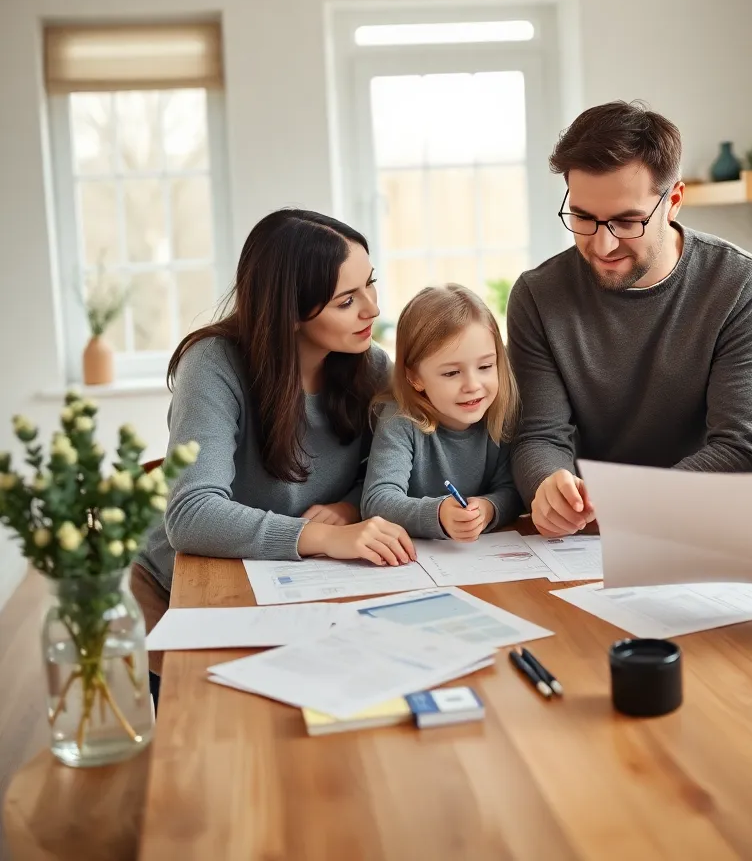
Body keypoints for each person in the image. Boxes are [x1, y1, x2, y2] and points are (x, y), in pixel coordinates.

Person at [133, 209, 417, 678]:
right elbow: (191, 514)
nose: (372, 309)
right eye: (347, 300)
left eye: (370, 283)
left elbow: (399, 463)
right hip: (185, 593)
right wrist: (325, 536)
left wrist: (349, 507)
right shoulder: (213, 365)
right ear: (289, 311)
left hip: (298, 586)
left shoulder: (369, 366)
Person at [508, 100, 752, 537]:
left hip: (700, 529)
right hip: (584, 536)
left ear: (673, 201)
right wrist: (546, 486)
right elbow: (539, 436)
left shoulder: (742, 285)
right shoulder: (538, 295)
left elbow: (738, 451)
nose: (601, 245)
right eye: (582, 218)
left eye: (627, 221)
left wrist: (624, 504)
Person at [361, 284, 520, 541]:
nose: (473, 385)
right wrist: (438, 514)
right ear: (414, 377)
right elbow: (377, 501)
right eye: (451, 373)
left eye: (486, 366)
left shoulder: (499, 414)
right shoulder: (399, 421)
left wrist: (489, 509)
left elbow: (512, 490)